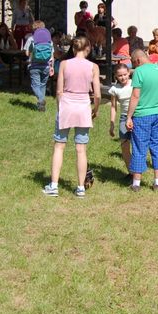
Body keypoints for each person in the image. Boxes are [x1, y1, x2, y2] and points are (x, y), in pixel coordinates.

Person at [42, 36, 100, 197]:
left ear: (73, 49)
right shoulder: (93, 67)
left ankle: (54, 185)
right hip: (83, 106)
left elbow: (59, 90)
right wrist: (95, 109)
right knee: (81, 149)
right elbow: (97, 94)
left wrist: (59, 108)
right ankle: (81, 187)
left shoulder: (64, 64)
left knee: (59, 146)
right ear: (88, 49)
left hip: (66, 105)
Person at [126, 49, 158, 192]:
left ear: (138, 60)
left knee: (139, 147)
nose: (134, 66)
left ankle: (136, 184)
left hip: (142, 115)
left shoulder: (139, 72)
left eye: (134, 63)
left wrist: (129, 116)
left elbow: (135, 96)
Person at [108, 64, 133, 178]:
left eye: (125, 74)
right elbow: (113, 107)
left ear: (129, 73)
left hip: (136, 116)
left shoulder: (134, 84)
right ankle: (131, 173)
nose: (123, 77)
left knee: (137, 146)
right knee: (124, 146)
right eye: (120, 75)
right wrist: (112, 124)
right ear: (116, 76)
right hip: (124, 118)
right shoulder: (115, 89)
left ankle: (137, 171)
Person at [25, 20, 54, 111]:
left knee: (35, 85)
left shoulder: (31, 39)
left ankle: (41, 100)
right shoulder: (49, 41)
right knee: (43, 85)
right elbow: (51, 55)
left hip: (34, 66)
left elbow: (27, 53)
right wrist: (52, 67)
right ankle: (41, 105)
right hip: (46, 66)